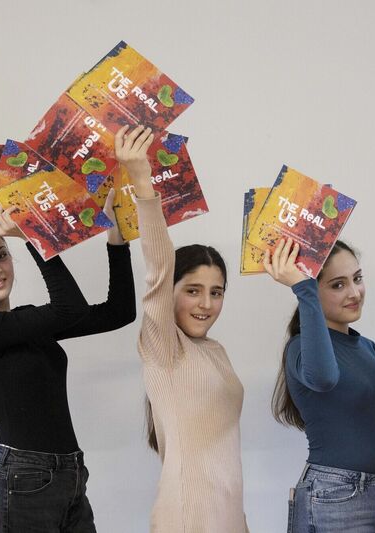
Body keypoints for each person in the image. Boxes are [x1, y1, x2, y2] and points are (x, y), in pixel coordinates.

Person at [0, 195, 136, 532]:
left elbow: (119, 312)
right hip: (22, 482)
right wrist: (33, 235)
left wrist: (116, 237)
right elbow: (69, 309)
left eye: (1, 255)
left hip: (69, 476)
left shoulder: (23, 323)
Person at [116, 124, 248, 532]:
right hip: (189, 515)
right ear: (169, 294)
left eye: (216, 292)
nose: (206, 304)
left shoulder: (216, 351)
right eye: (193, 290)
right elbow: (159, 267)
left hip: (228, 514)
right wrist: (142, 182)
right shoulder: (163, 346)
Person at [266, 238, 375, 532]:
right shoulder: (299, 348)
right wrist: (303, 289)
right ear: (314, 290)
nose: (354, 293)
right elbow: (324, 378)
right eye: (338, 285)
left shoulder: (367, 347)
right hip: (335, 496)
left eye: (357, 279)